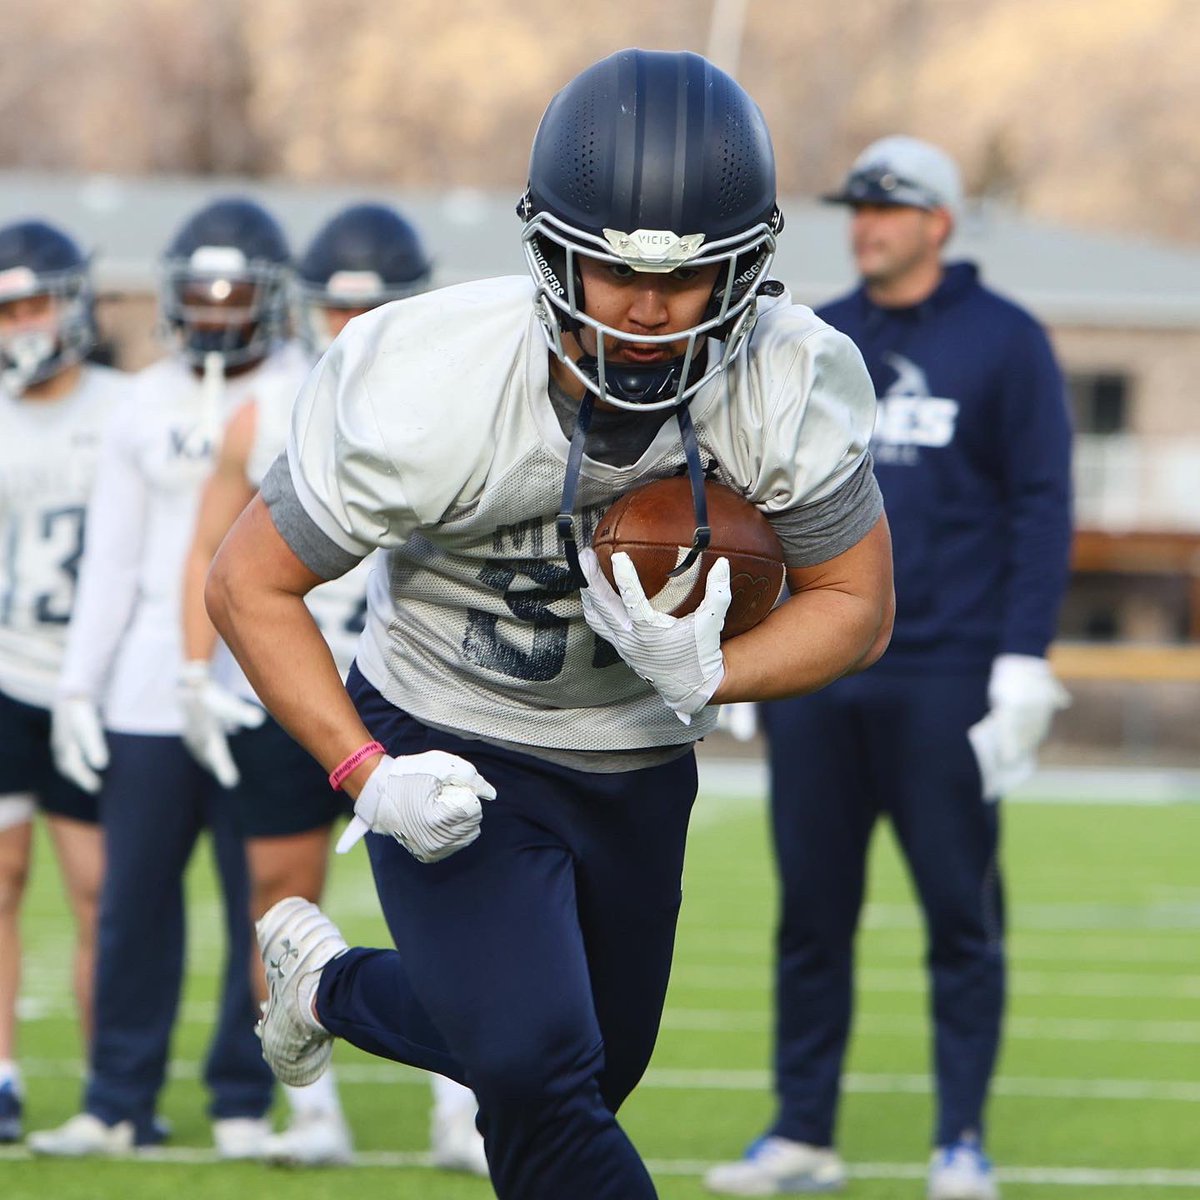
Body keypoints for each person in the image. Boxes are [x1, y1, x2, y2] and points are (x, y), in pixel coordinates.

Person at [204, 49, 894, 1200]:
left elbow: (859, 607)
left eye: (689, 276)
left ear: (748, 269)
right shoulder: (438, 379)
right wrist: (369, 775)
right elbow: (246, 583)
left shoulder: (785, 378)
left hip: (633, 751)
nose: (650, 306)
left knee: (585, 1080)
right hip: (450, 728)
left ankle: (323, 986)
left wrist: (714, 671)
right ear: (551, 250)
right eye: (611, 269)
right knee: (534, 1068)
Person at [705, 137, 1073, 1200]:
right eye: (857, 206)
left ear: (940, 222)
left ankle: (961, 1140)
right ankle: (803, 1131)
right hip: (824, 669)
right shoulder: (818, 338)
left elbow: (1042, 506)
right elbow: (757, 504)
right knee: (810, 915)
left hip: (948, 674)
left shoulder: (1008, 343)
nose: (866, 223)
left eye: (890, 206)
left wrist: (1020, 660)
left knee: (961, 915)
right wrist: (744, 643)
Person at [179, 200, 484, 1172]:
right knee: (280, 890)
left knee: (450, 902)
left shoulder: (453, 400)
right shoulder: (263, 407)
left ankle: (461, 1110)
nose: (348, 331)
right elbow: (212, 550)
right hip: (292, 679)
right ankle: (309, 1111)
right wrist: (195, 671)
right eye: (335, 310)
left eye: (370, 309)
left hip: (418, 679)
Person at [27, 197, 305, 1159]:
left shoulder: (313, 390)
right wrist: (78, 685)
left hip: (268, 681)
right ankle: (116, 1098)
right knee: (133, 899)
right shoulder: (142, 399)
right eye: (203, 292)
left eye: (238, 292)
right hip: (148, 689)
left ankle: (242, 1098)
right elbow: (111, 560)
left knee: (264, 904)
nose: (221, 310)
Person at [0, 221, 127, 1142]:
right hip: (5, 672)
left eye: (32, 302)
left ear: (72, 302)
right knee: (2, 876)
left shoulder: (128, 407)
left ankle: (105, 1086)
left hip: (97, 684)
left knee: (98, 887)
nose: (19, 325)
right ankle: (1, 1076)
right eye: (5, 309)